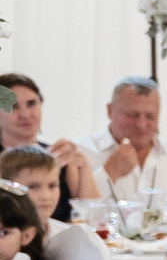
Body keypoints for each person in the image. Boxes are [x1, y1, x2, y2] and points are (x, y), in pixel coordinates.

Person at [0, 76, 99, 208]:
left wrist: (83, 165)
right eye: (13, 107)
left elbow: (93, 213)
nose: (25, 114)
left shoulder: (59, 155)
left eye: (31, 104)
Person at [95, 74, 167, 199]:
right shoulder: (82, 154)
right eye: (132, 115)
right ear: (110, 110)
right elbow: (77, 206)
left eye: (150, 116)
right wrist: (108, 174)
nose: (141, 125)